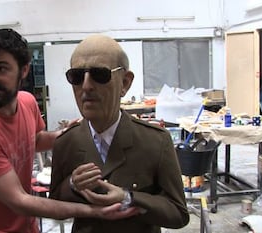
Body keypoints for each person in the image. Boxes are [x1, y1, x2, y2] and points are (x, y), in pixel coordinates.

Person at [0, 28, 139, 233]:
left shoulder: (27, 102)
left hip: (26, 226)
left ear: (23, 70)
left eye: (1, 68)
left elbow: (35, 140)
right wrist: (95, 211)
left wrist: (69, 134)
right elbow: (20, 201)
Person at [49, 34, 190, 233]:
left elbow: (178, 214)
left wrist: (129, 198)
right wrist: (72, 185)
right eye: (77, 77)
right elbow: (55, 208)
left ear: (125, 83)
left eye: (100, 75)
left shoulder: (155, 141)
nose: (86, 86)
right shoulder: (65, 143)